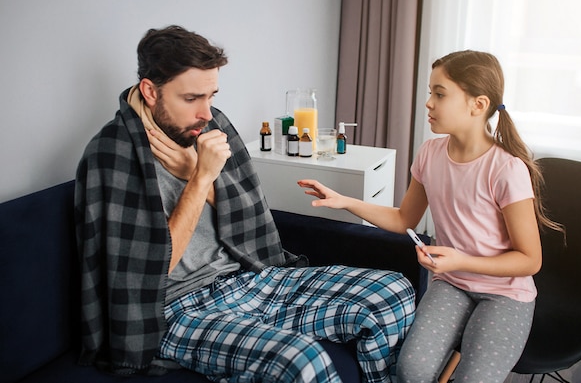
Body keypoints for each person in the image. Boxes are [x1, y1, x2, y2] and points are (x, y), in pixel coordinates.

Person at [74, 25, 416, 383]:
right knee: (302, 360)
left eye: (211, 95)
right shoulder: (112, 156)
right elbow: (148, 272)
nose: (206, 112)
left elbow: (250, 213)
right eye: (191, 98)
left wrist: (195, 168)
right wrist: (201, 177)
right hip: (178, 309)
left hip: (248, 278)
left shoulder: (211, 127)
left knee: (392, 292)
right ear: (150, 91)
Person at [298, 50, 563, 383]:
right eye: (430, 93)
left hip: (505, 293)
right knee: (412, 371)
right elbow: (403, 220)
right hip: (452, 284)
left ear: (477, 105)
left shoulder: (507, 169)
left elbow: (530, 260)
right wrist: (345, 201)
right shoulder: (430, 154)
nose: (429, 103)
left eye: (440, 94)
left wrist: (459, 261)